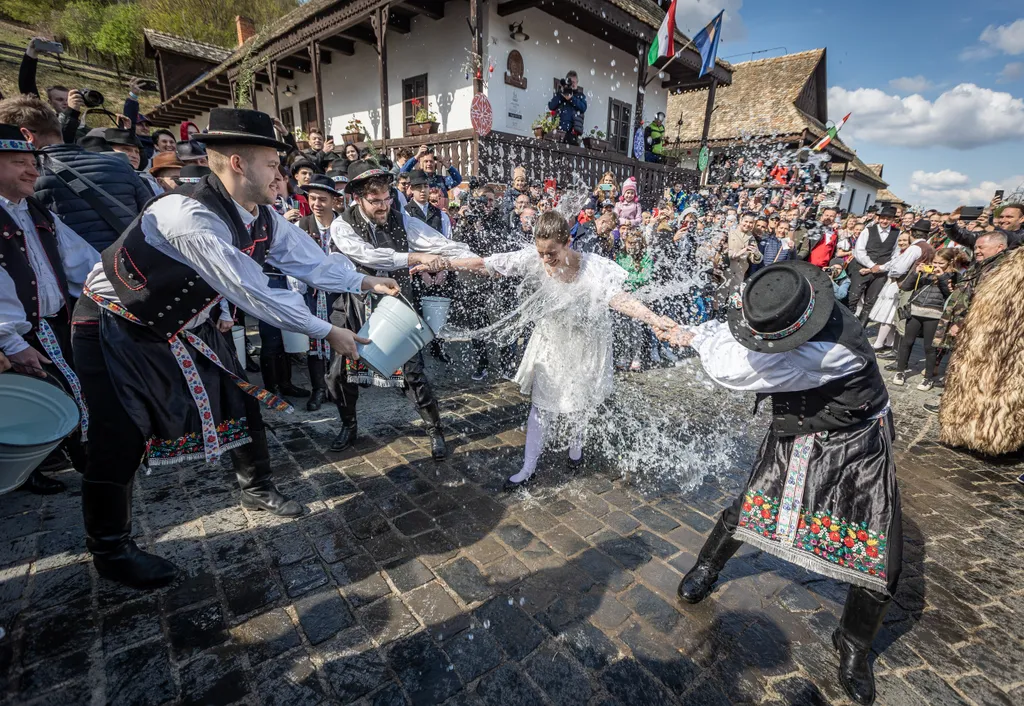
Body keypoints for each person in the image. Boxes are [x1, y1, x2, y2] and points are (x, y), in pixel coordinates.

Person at [70, 109, 400, 590]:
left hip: (187, 322)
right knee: (118, 435)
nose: (283, 177)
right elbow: (254, 292)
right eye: (273, 164)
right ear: (237, 163)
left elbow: (307, 260)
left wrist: (363, 278)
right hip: (115, 323)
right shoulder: (187, 215)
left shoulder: (260, 215)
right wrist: (328, 331)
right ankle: (109, 549)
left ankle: (257, 487)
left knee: (242, 400)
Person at [662, 261, 901, 706]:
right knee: (748, 509)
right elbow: (745, 338)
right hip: (801, 432)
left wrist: (694, 338)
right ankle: (707, 567)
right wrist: (697, 330)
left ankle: (852, 644)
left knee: (879, 557)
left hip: (856, 442)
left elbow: (734, 369)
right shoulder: (801, 311)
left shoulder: (827, 351)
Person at [418, 211, 675, 488]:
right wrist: (447, 263)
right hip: (551, 341)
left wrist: (654, 319)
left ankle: (575, 451)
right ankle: (528, 468)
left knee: (580, 402)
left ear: (567, 242)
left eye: (551, 252)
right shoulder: (535, 259)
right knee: (541, 407)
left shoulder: (594, 268)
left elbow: (619, 299)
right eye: (541, 252)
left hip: (587, 344)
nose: (546, 260)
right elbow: (487, 264)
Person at [325, 161, 475, 459]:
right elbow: (370, 256)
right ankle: (349, 425)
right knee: (338, 374)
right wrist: (415, 257)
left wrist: (474, 260)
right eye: (375, 201)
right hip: (355, 305)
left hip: (396, 305)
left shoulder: (401, 218)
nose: (383, 206)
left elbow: (439, 243)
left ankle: (435, 431)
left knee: (413, 372)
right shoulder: (341, 224)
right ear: (357, 198)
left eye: (387, 199)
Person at [0, 123, 99, 493]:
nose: (32, 170)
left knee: (71, 388)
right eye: (18, 162)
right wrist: (10, 342)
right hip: (17, 332)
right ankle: (29, 469)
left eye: (32, 161)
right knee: (26, 401)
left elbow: (78, 259)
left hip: (54, 323)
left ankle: (80, 456)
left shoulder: (35, 209)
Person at [0, 95, 153, 254]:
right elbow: (153, 215)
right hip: (136, 265)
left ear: (26, 136)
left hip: (82, 275)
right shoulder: (120, 165)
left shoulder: (26, 178)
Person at [937, 235, 1023, 452]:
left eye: (982, 247)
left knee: (994, 391)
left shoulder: (1008, 268)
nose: (978, 251)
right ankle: (963, 433)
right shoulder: (985, 266)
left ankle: (986, 438)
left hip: (997, 341)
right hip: (976, 336)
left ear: (1000, 247)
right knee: (968, 386)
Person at [296, 174, 344, 411]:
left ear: (334, 201)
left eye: (322, 199)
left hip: (338, 294)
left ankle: (336, 387)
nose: (316, 204)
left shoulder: (343, 226)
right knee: (314, 340)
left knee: (338, 338)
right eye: (313, 198)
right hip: (312, 294)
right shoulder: (302, 225)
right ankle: (318, 389)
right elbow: (293, 261)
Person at [890, 248, 958, 391]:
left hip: (934, 314)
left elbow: (950, 296)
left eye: (941, 263)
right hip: (915, 310)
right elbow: (906, 287)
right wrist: (916, 272)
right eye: (934, 262)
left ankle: (928, 378)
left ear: (949, 263)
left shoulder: (953, 275)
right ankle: (900, 371)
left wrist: (942, 277)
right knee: (907, 342)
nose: (937, 265)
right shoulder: (925, 272)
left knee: (929, 347)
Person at [848, 205, 900, 324]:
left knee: (871, 301)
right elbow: (859, 251)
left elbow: (896, 254)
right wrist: (871, 266)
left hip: (881, 273)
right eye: (883, 218)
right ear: (879, 218)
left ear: (893, 220)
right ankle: (848, 323)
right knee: (853, 298)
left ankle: (861, 327)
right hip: (862, 267)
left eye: (888, 218)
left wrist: (881, 268)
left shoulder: (897, 233)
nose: (885, 221)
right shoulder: (868, 230)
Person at [943, 201, 1023, 251]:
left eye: (1009, 217)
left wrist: (988, 227)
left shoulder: (1021, 238)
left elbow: (1015, 239)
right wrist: (951, 222)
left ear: (1021, 219)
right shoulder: (985, 235)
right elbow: (961, 236)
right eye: (1001, 217)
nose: (1003, 220)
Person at [547, 71, 587, 146]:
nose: (573, 84)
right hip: (559, 132)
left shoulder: (580, 96)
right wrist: (562, 95)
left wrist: (571, 98)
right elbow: (551, 106)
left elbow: (583, 108)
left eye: (574, 82)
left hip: (573, 133)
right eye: (571, 82)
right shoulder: (560, 94)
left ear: (577, 82)